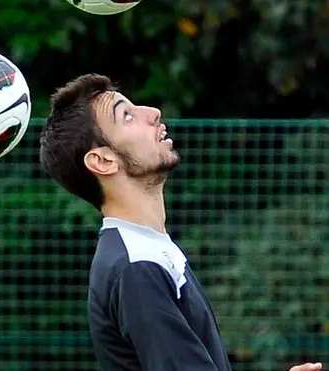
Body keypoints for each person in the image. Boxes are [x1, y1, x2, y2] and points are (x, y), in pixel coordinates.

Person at [38, 73, 322, 371]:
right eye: (127, 116)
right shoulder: (137, 266)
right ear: (104, 161)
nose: (152, 113)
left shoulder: (148, 249)